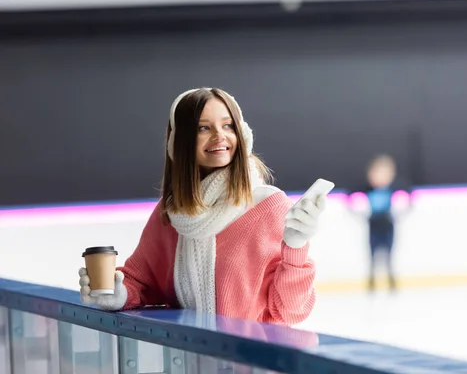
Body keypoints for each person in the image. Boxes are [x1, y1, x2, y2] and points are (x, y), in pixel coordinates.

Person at [78, 88, 326, 326]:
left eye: (228, 125)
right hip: (191, 360)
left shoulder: (269, 207)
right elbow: (140, 280)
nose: (220, 136)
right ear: (181, 142)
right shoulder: (171, 214)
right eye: (203, 128)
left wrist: (296, 248)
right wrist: (116, 293)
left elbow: (291, 311)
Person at [363, 154, 399, 292]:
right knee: (372, 256)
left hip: (388, 227)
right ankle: (372, 282)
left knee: (389, 255)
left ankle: (391, 282)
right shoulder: (366, 189)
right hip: (373, 226)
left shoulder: (395, 189)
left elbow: (407, 199)